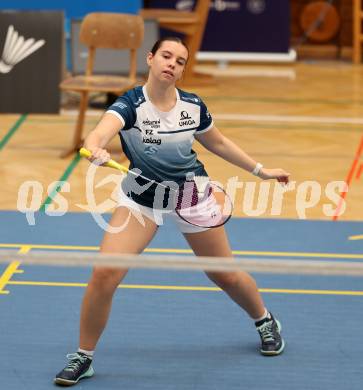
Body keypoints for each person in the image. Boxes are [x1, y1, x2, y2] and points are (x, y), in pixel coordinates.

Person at [54, 37, 290, 386]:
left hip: (191, 196)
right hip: (142, 198)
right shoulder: (130, 104)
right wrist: (95, 149)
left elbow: (219, 142)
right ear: (151, 59)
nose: (172, 64)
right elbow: (98, 134)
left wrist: (260, 170)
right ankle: (83, 356)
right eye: (166, 56)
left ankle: (265, 319)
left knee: (223, 274)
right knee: (105, 274)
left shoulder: (192, 107)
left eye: (180, 61)